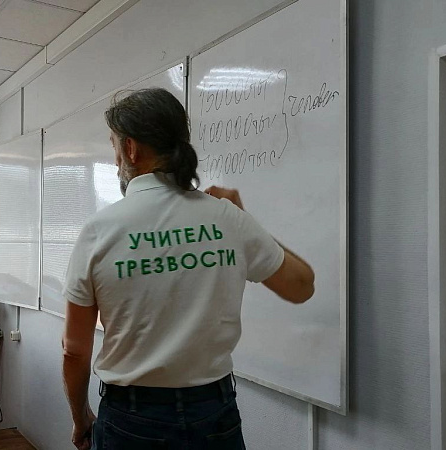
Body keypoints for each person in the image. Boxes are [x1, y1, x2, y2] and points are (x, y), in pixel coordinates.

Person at [62, 88, 315, 450]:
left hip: (131, 416)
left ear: (131, 149)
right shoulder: (227, 218)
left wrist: (80, 416)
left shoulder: (98, 231)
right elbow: (302, 286)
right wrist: (243, 220)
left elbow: (74, 350)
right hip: (214, 413)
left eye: (114, 146)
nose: (115, 160)